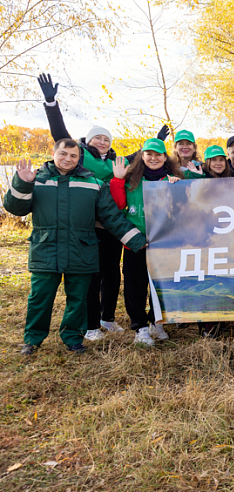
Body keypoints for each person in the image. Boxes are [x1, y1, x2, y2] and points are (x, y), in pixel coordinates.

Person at [36, 73, 169, 342]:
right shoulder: (80, 156)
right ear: (87, 141)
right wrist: (51, 104)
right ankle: (90, 324)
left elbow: (144, 157)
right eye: (97, 138)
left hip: (114, 226)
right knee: (91, 275)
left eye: (106, 139)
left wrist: (155, 139)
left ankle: (107, 318)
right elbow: (60, 135)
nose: (101, 142)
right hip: (90, 225)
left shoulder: (116, 162)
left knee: (111, 274)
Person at [4, 139, 147, 355]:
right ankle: (32, 339)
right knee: (40, 298)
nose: (68, 159)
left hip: (82, 249)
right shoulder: (37, 179)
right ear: (53, 154)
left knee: (78, 299)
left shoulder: (94, 183)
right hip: (45, 249)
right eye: (63, 154)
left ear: (79, 157)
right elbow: (15, 209)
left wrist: (137, 241)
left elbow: (112, 218)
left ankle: (73, 337)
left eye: (73, 156)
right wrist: (22, 183)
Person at [110, 139, 183, 346]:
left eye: (158, 154)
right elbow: (118, 205)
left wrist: (178, 187)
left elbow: (180, 208)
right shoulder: (131, 178)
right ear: (142, 156)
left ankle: (155, 321)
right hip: (136, 243)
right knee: (135, 285)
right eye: (149, 154)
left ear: (164, 157)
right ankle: (140, 327)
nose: (153, 158)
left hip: (162, 242)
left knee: (160, 285)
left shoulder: (172, 178)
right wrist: (117, 180)